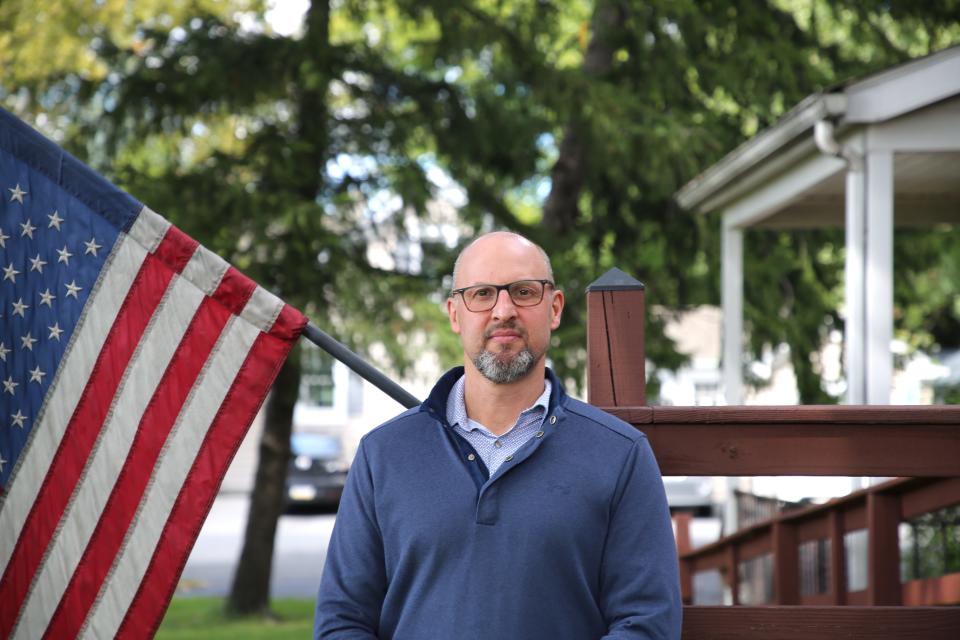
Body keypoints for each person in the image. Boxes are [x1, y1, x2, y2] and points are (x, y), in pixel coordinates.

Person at [315, 231, 682, 639]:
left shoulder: (620, 456)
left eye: (524, 292)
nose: (503, 310)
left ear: (554, 308)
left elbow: (647, 622)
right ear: (455, 314)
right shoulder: (382, 455)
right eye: (483, 294)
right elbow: (342, 622)